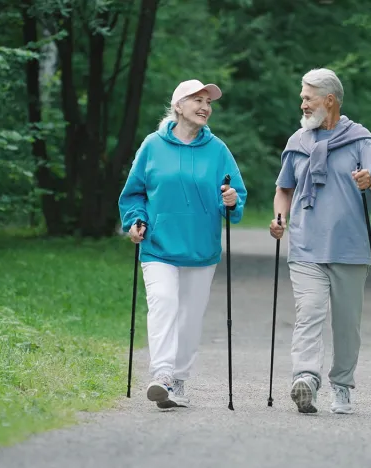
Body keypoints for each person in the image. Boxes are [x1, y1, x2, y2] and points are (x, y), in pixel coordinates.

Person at [118, 79, 248, 410]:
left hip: (201, 249)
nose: (205, 106)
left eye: (209, 101)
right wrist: (135, 220)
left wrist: (231, 201)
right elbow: (134, 193)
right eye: (197, 100)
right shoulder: (152, 145)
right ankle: (161, 376)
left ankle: (178, 381)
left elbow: (235, 197)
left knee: (189, 317)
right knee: (163, 302)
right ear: (178, 106)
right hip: (158, 245)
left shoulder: (218, 150)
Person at [269, 68, 371, 415]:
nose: (302, 104)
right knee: (308, 313)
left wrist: (370, 181)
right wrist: (280, 218)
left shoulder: (360, 140)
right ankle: (306, 378)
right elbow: (284, 189)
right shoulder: (298, 142)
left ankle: (342, 385)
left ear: (329, 100)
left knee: (346, 325)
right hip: (306, 245)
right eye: (302, 98)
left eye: (308, 98)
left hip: (349, 247)